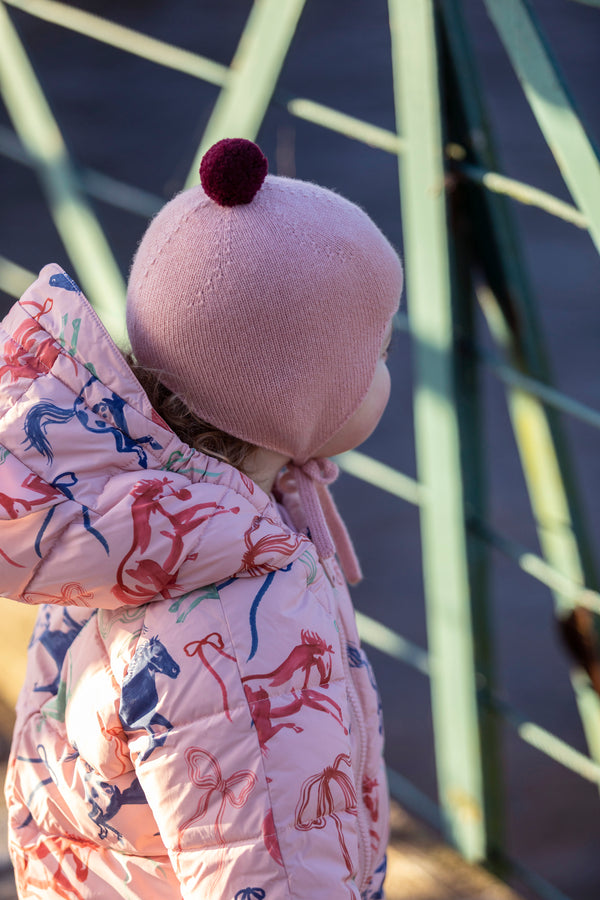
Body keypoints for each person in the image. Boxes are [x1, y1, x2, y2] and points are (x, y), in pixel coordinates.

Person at [0, 138, 403, 899]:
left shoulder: (113, 514)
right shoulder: (248, 618)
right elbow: (278, 870)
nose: (389, 368)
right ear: (293, 401)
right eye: (376, 351)